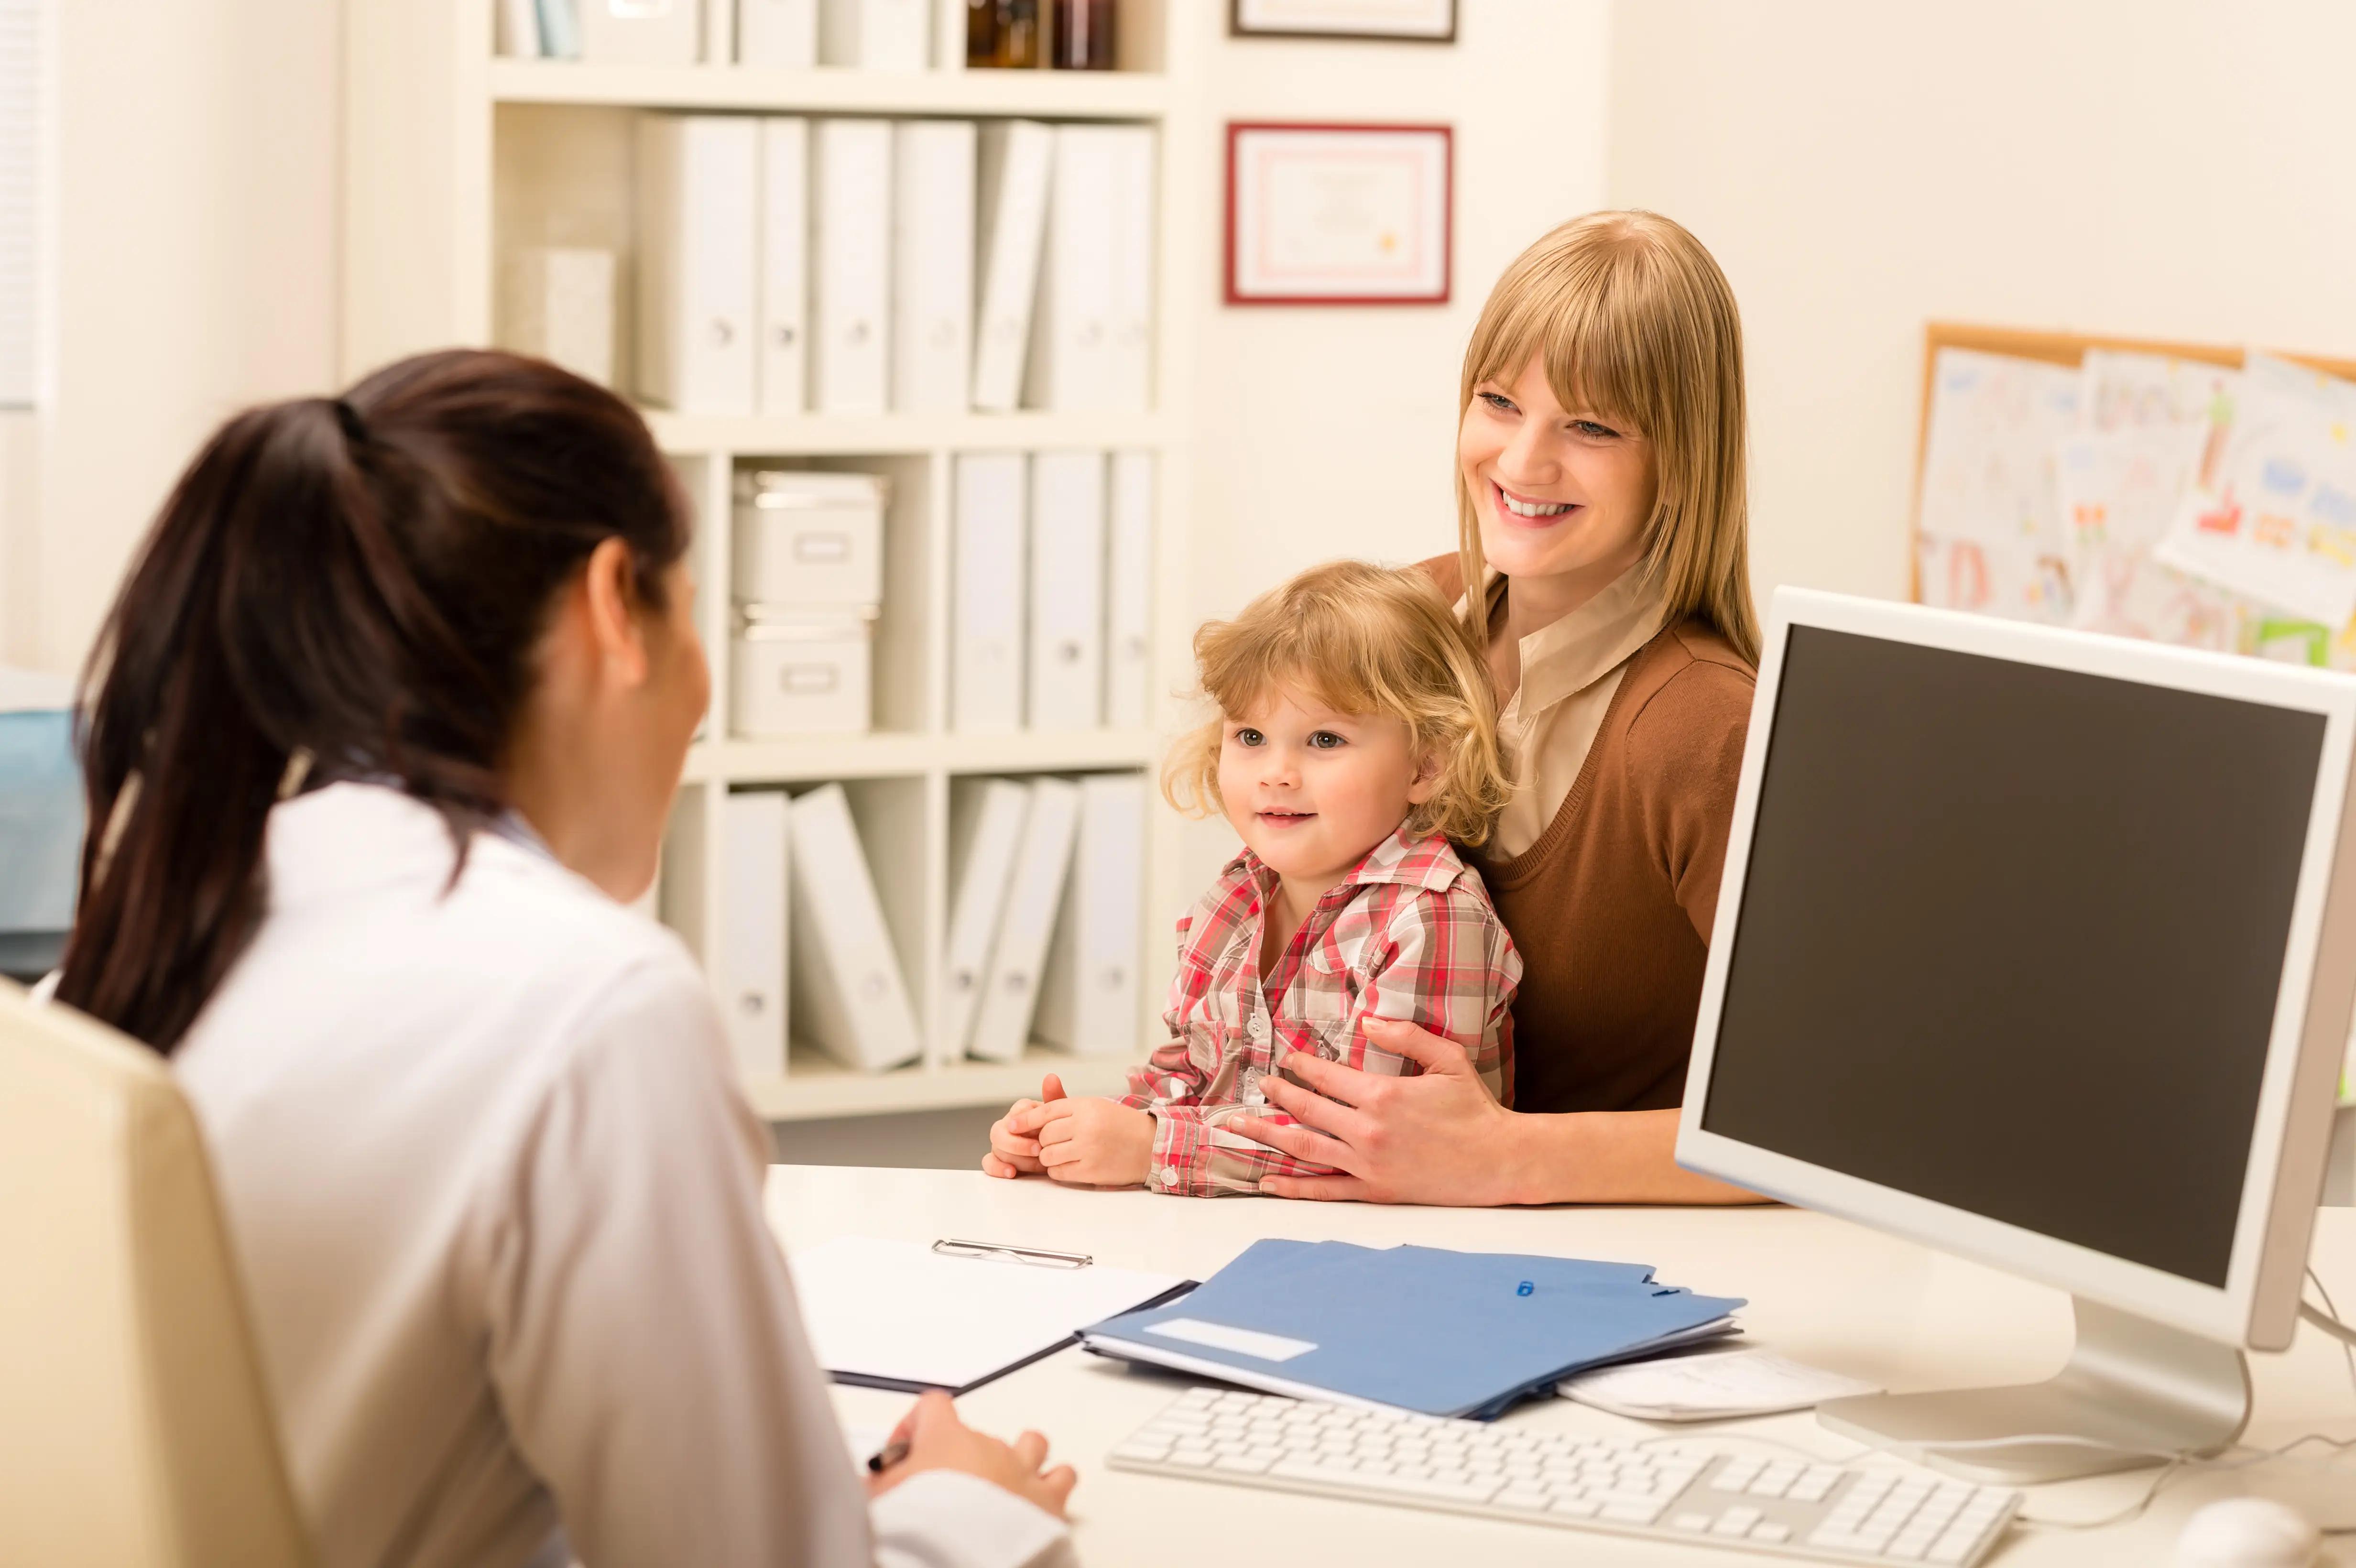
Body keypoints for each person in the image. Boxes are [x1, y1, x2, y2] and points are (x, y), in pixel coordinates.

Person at [52, 349, 1080, 1568]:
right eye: (692, 610)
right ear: (612, 604)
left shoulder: (171, 924)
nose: (703, 691)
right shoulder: (588, 1003)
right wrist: (965, 1511)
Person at [1232, 212, 1767, 1207]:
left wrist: (1508, 1155)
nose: (1522, 461)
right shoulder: (1406, 619)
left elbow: (1814, 1120)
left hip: (1599, 1270)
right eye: (1498, 402)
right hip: (1348, 1221)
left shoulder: (1706, 728)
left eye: (1592, 425)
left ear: (1678, 459)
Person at [982, 561, 1520, 1196]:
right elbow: (1188, 1075)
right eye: (1251, 736)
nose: (1277, 772)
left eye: (1324, 738)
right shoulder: (1235, 899)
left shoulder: (1430, 918)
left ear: (1425, 765)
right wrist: (1076, 1135)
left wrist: (1155, 1147)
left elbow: (1377, 1143)